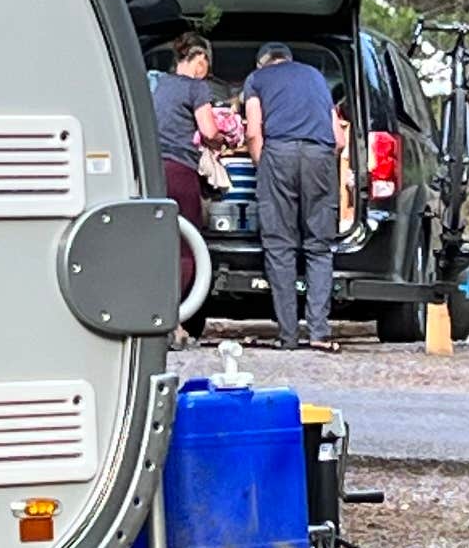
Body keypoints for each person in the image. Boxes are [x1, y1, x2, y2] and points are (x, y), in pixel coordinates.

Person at [239, 40, 349, 347]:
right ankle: (318, 332)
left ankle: (287, 335)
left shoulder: (256, 80)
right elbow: (339, 140)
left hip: (280, 153)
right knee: (319, 246)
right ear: (289, 60)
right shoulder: (316, 77)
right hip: (320, 156)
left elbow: (252, 131)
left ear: (263, 63)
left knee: (280, 246)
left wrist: (265, 168)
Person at [148, 33, 220, 230]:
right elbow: (209, 132)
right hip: (181, 168)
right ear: (200, 60)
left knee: (160, 231)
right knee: (188, 235)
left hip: (153, 168)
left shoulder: (159, 84)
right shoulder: (197, 87)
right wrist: (224, 140)